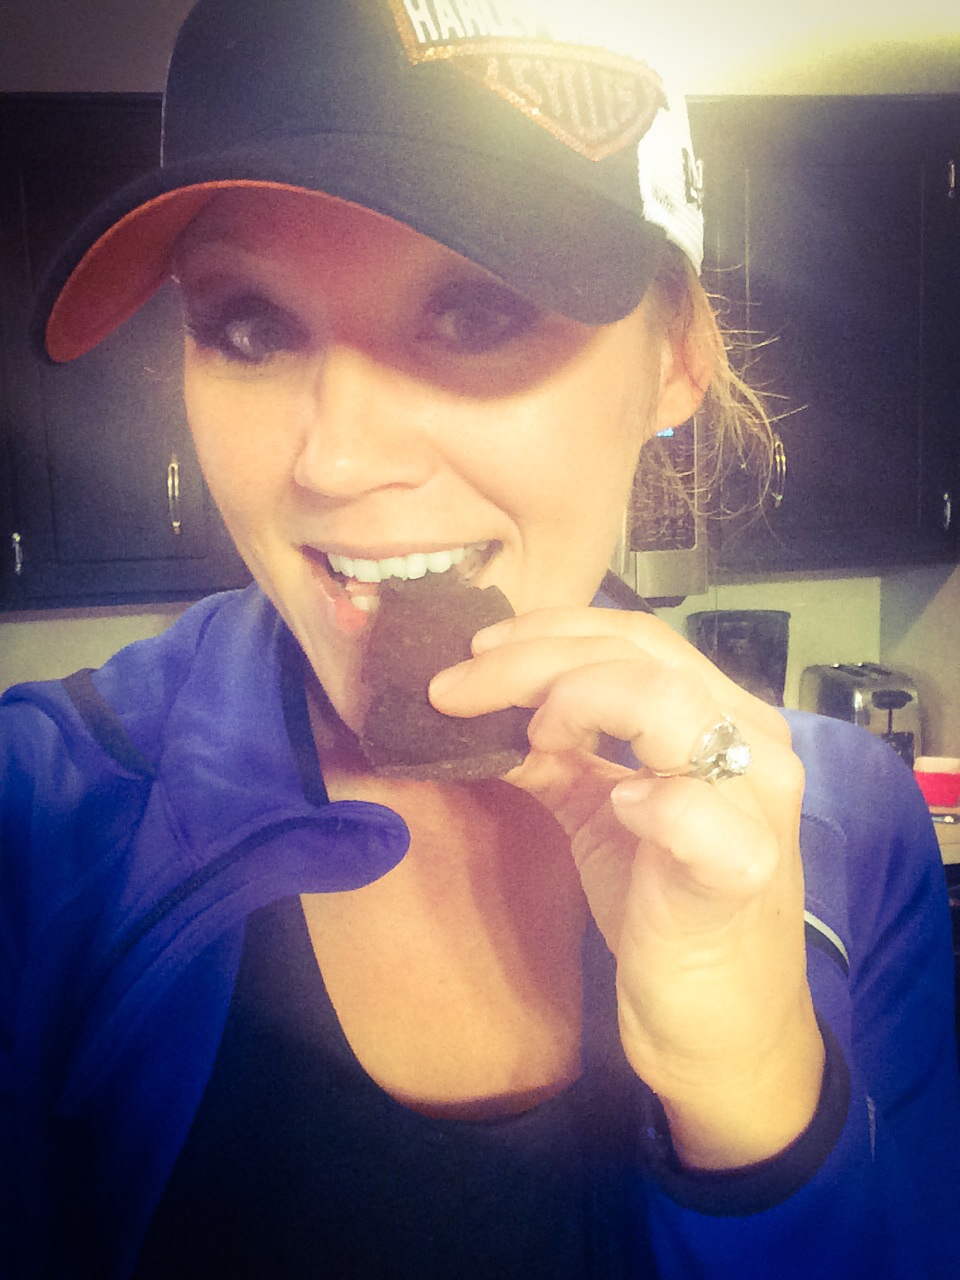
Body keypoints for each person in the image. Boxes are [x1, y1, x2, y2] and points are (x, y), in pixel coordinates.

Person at [3, 1, 959, 1277]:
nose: (336, 461)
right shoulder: (37, 821)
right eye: (250, 325)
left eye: (475, 312)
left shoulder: (857, 832)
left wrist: (763, 1096)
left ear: (675, 358)